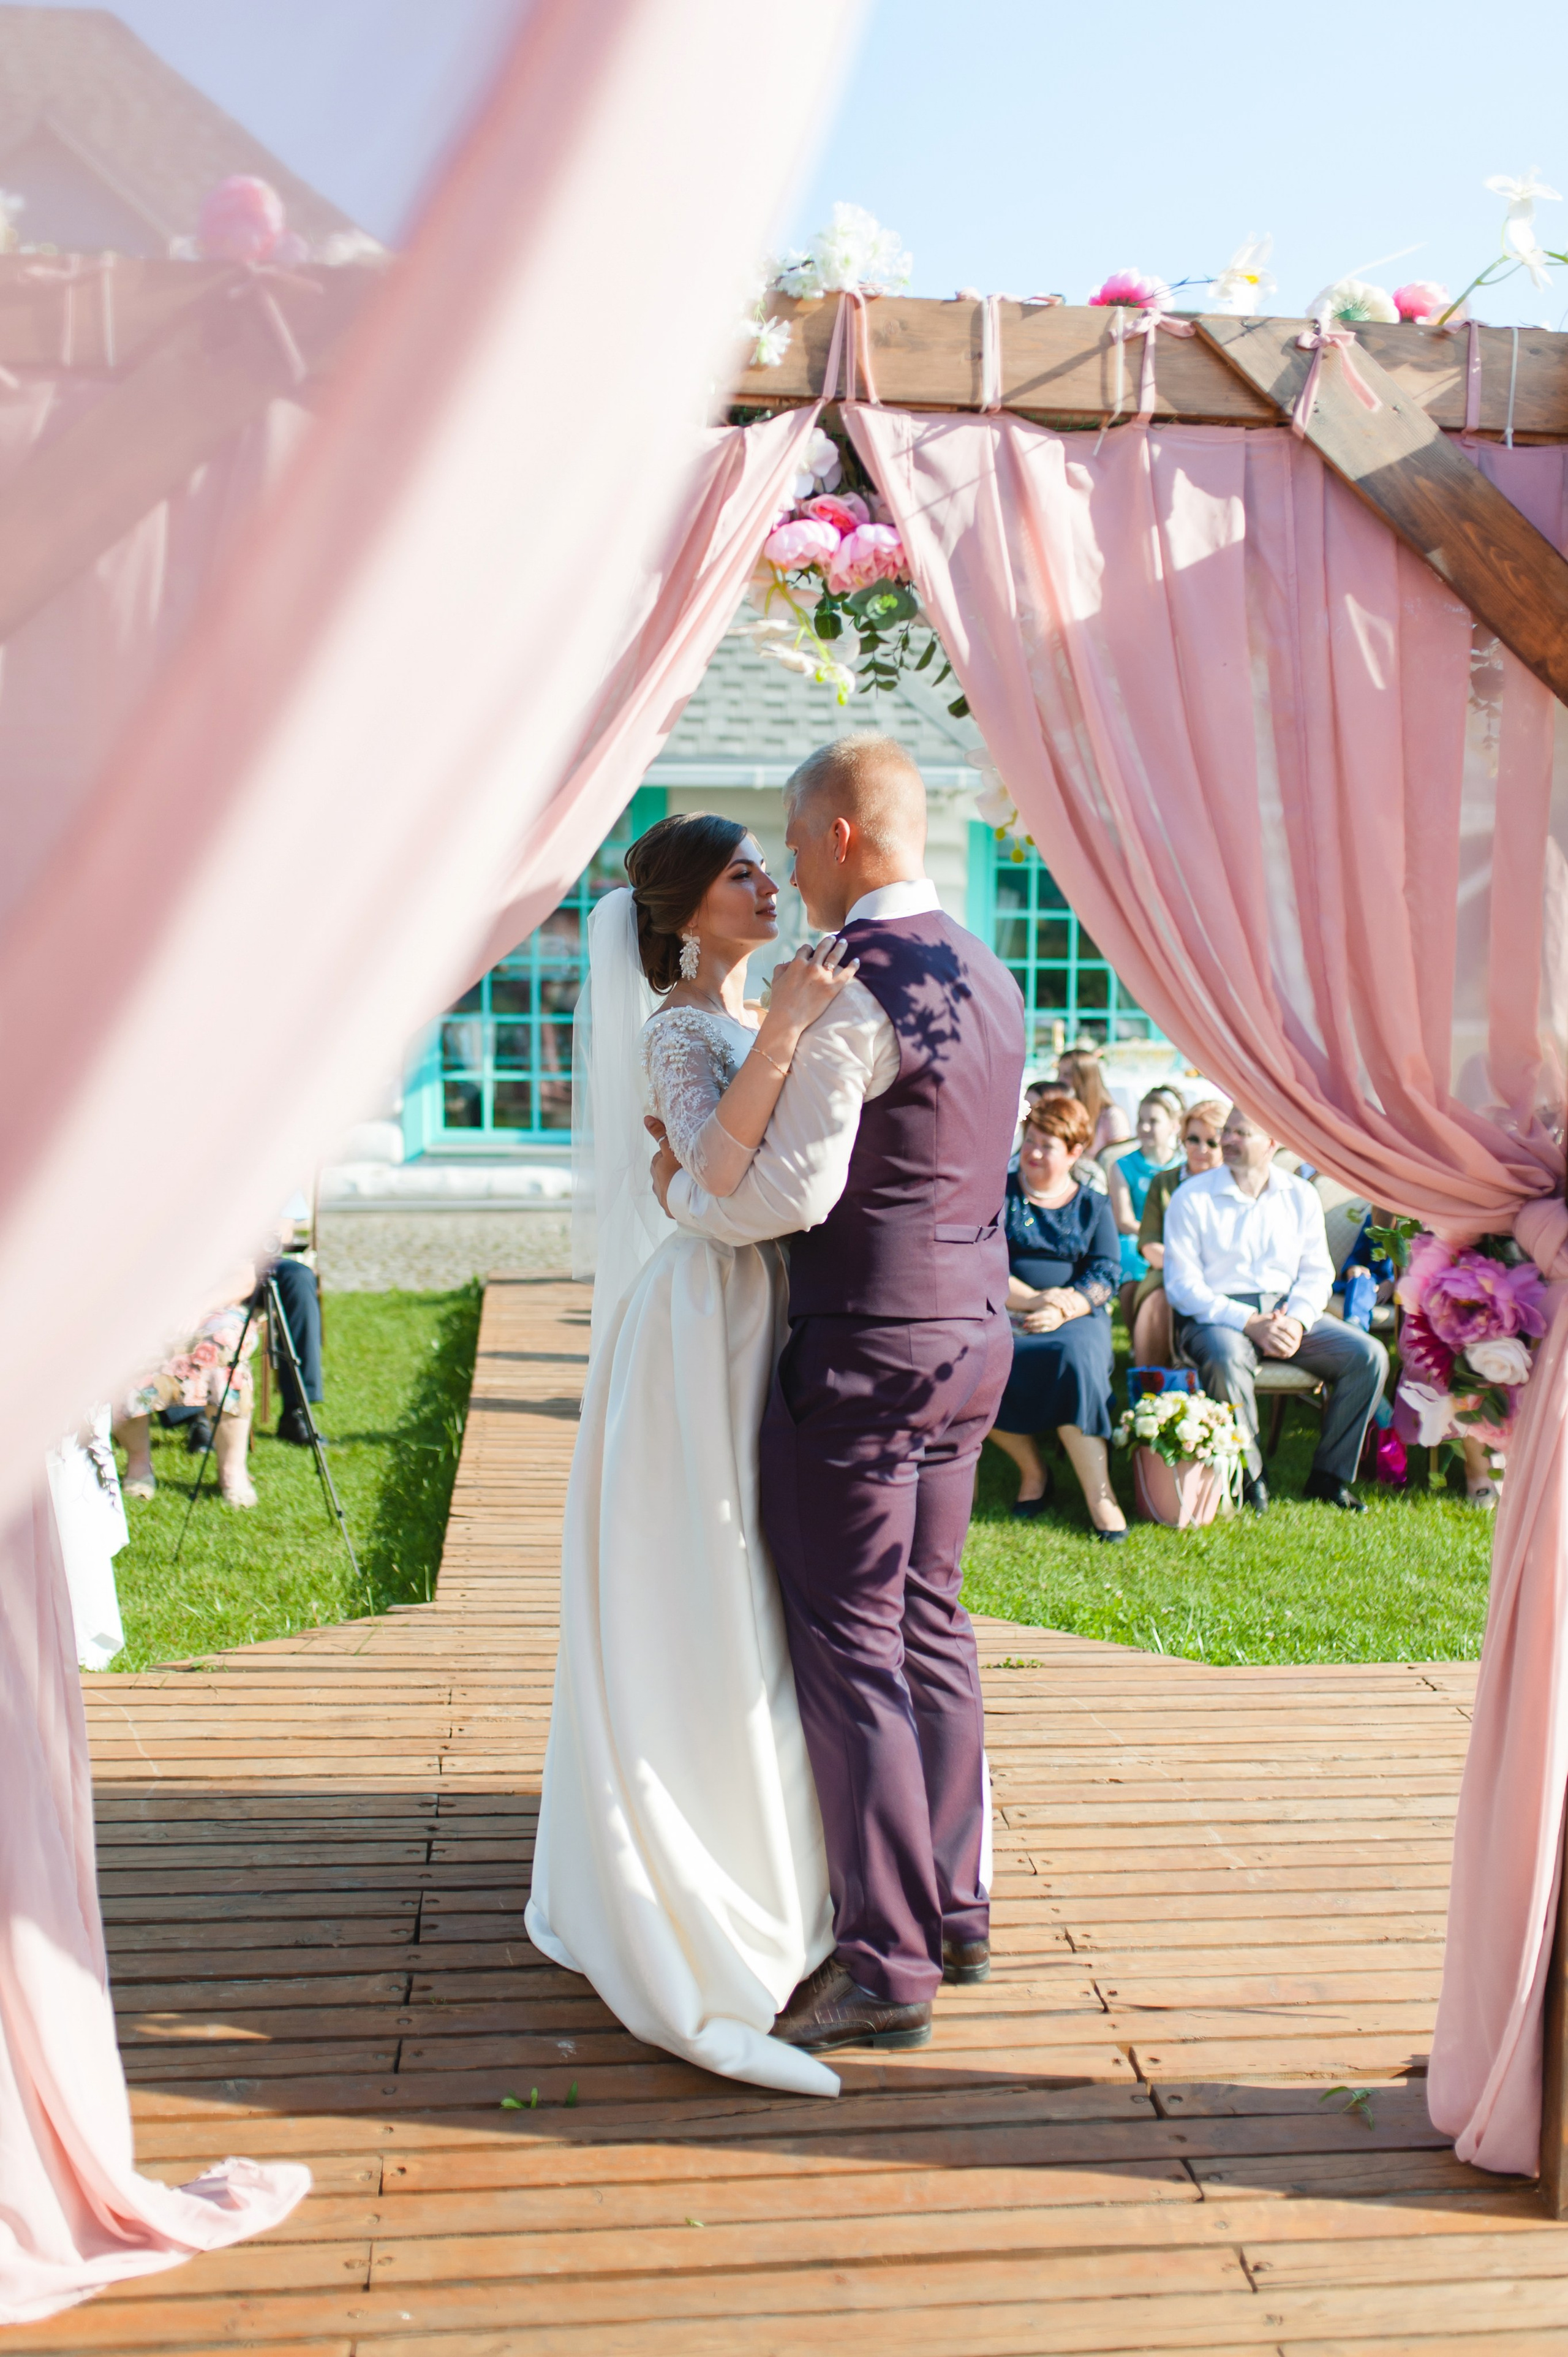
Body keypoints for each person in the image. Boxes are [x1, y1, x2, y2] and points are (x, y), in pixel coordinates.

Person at [650, 735, 1025, 2059]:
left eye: (792, 840)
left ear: (838, 840)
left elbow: (785, 1195)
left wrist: (685, 1194)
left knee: (851, 1642)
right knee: (932, 1619)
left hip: (863, 1351)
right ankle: (959, 1905)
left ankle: (886, 1960)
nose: (786, 864)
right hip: (972, 1339)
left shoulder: (852, 988)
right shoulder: (988, 973)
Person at [526, 812, 861, 2100]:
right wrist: (778, 1035)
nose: (765, 882)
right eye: (740, 873)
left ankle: (776, 1850)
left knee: (763, 1560)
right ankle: (701, 1858)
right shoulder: (679, 1026)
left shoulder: (754, 1007)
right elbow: (702, 1197)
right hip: (703, 1318)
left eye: (763, 867)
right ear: (681, 909)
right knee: (710, 1560)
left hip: (761, 1301)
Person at [1163, 1106, 1389, 1513]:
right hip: (1218, 1317)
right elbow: (1182, 1286)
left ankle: (1329, 1477)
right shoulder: (1191, 1196)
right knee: (1226, 1358)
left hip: (1288, 1313)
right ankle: (1250, 1478)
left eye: (1240, 1132)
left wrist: (1299, 1320)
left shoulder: (1299, 1195)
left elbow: (1318, 1272)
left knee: (1368, 1356)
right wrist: (1248, 1321)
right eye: (1226, 1131)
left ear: (1272, 1142)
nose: (1228, 1139)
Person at [986, 1095, 1126, 1538]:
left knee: (1077, 1358)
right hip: (1003, 1304)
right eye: (1031, 1141)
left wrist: (1065, 1307)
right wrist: (1031, 1302)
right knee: (971, 1357)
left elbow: (1107, 1271)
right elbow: (981, 1260)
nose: (1034, 1152)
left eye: (1047, 1145)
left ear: (1074, 1152)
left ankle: (1101, 1495)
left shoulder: (1093, 1205)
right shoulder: (997, 1195)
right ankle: (1034, 1471)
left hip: (1076, 1316)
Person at [115, 1270, 262, 1508]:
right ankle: (138, 1464)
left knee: (222, 1344)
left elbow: (244, 1279)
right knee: (125, 1348)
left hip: (216, 1308)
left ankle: (232, 1471)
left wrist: (197, 1307)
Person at [1129, 1097, 1227, 1363]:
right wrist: (1187, 1271)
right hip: (1167, 1271)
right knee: (1159, 1298)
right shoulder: (1164, 1183)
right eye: (1193, 1139)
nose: (1201, 1149)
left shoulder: (1234, 1187)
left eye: (1212, 1142)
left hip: (1225, 1274)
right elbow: (1149, 1243)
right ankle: (1152, 1386)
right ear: (1183, 1139)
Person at [1106, 1085, 1185, 1328]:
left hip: (1179, 1238)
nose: (1145, 1128)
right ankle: (1136, 1340)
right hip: (1136, 1237)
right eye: (1141, 1121)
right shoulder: (1122, 1165)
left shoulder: (1184, 1165)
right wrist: (1152, 1238)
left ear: (1174, 1126)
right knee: (1130, 1263)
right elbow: (1124, 1220)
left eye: (1154, 1121)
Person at [1021, 1078, 1106, 1193]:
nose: (1026, 1118)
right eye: (1024, 1110)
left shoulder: (1089, 1177)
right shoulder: (1011, 1167)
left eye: (1047, 1146)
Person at [1057, 1046, 1129, 1157]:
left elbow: (1120, 1161)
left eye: (1067, 1075)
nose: (1059, 1080)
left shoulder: (1112, 1116)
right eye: (1059, 1074)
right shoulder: (1064, 1112)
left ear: (1085, 1079)